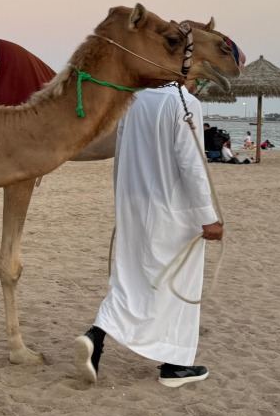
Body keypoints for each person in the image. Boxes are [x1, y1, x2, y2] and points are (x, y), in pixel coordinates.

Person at [73, 82, 223, 388]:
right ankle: (176, 364)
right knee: (178, 279)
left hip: (133, 204)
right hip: (173, 209)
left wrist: (122, 204)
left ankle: (97, 337)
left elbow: (122, 156)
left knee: (131, 277)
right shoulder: (183, 102)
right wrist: (208, 217)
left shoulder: (132, 99)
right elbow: (192, 164)